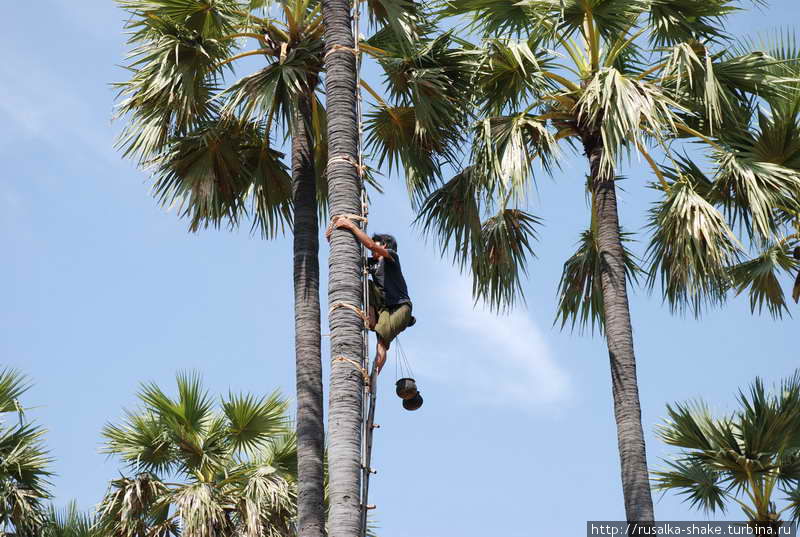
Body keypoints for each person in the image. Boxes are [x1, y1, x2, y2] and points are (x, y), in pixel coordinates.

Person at [326, 216, 414, 377]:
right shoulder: (370, 264)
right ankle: (372, 318)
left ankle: (374, 375)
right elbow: (347, 258)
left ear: (385, 245)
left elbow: (370, 244)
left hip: (401, 307)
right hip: (384, 308)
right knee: (365, 283)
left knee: (381, 341)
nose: (372, 250)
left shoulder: (391, 256)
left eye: (377, 245)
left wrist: (351, 226)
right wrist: (334, 236)